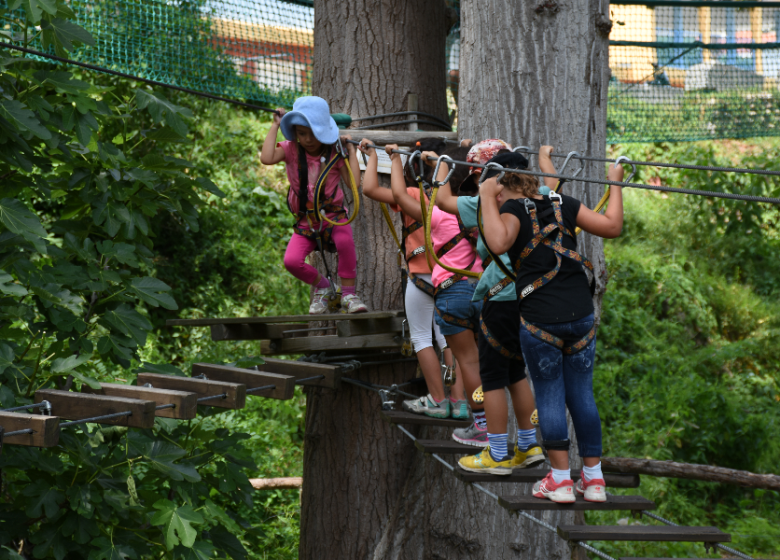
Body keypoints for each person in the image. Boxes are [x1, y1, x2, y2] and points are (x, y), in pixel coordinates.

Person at [479, 145, 624, 503]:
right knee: (582, 397)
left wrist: (484, 195)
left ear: (501, 188)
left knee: (550, 397)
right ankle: (594, 479)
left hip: (541, 321)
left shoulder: (511, 209)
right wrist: (615, 184)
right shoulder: (563, 203)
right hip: (580, 318)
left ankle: (560, 479)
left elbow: (497, 241)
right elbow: (612, 226)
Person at [427, 140, 547, 472]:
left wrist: (440, 163)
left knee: (493, 376)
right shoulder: (538, 200)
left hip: (499, 296)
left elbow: (441, 198)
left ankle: (496, 453)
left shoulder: (484, 203)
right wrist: (544, 158)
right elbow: (555, 184)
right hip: (528, 297)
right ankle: (528, 444)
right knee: (516, 373)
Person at [358, 138, 454, 417]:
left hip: (422, 275)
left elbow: (370, 189)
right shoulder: (455, 197)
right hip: (452, 274)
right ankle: (459, 400)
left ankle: (438, 399)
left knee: (423, 337)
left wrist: (380, 157)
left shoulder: (412, 194)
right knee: (449, 338)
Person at [389, 143, 484, 423]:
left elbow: (397, 193)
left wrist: (395, 159)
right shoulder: (482, 210)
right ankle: (464, 404)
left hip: (446, 289)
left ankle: (440, 401)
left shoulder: (437, 214)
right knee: (469, 355)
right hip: (477, 289)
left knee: (421, 337)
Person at [259, 96, 368, 314]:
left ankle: (348, 294)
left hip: (333, 217)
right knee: (291, 261)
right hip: (306, 220)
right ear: (295, 133)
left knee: (345, 243)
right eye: (302, 133)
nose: (308, 139)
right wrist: (275, 125)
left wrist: (351, 153)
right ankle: (325, 288)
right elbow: (267, 157)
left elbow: (354, 183)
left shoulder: (335, 152)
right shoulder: (290, 150)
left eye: (313, 133)